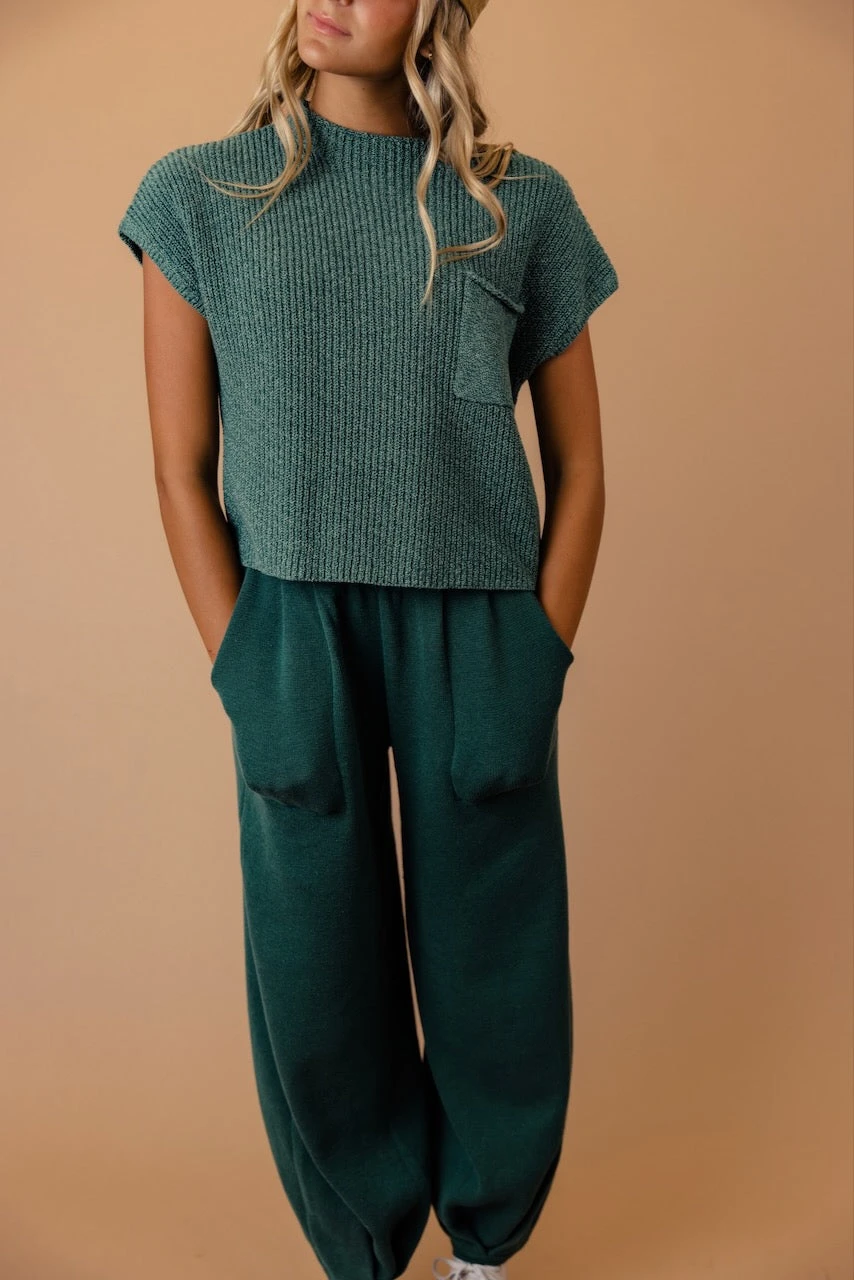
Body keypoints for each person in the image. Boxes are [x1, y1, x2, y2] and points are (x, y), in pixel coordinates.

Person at [117, 0, 619, 1276]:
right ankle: (364, 1249)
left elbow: (581, 469)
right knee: (315, 965)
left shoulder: (521, 204)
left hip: (478, 627)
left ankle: (483, 1248)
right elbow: (178, 467)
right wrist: (243, 659)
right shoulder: (198, 197)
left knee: (497, 957)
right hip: (293, 624)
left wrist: (538, 652)